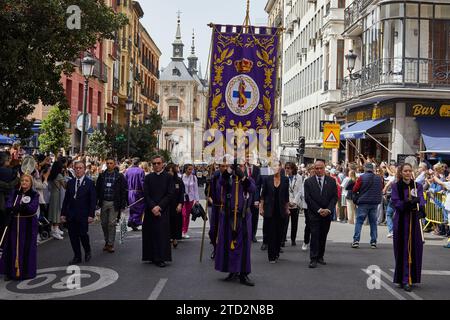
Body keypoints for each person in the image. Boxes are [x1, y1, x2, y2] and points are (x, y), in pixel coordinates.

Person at [215, 160, 256, 286]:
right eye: (237, 166)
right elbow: (221, 182)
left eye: (241, 166)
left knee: (243, 246)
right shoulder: (229, 180)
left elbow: (252, 189)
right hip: (229, 216)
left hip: (243, 217)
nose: (239, 168)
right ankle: (232, 270)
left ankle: (243, 273)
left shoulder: (248, 180)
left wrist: (243, 177)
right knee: (228, 244)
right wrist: (228, 172)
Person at [390, 163, 426, 292]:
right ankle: (403, 278)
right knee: (403, 249)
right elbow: (396, 202)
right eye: (405, 171)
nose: (408, 173)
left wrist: (421, 208)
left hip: (414, 221)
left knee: (414, 248)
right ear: (401, 172)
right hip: (401, 221)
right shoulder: (396, 186)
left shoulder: (418, 185)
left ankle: (410, 277)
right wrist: (408, 203)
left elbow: (421, 198)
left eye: (410, 171)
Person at [0, 174, 39, 280]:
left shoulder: (34, 194)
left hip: (28, 225)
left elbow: (33, 208)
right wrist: (12, 208)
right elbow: (8, 204)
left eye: (27, 181)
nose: (24, 182)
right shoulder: (15, 193)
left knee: (26, 247)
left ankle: (26, 272)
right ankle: (11, 272)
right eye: (22, 180)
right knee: (12, 246)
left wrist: (22, 207)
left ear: (31, 182)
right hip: (14, 224)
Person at [61, 161, 97, 264]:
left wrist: (91, 215)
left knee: (83, 234)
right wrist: (63, 213)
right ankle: (77, 256)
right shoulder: (71, 183)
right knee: (73, 236)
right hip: (71, 214)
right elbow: (66, 199)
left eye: (80, 168)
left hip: (84, 214)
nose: (78, 170)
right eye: (76, 168)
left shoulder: (89, 183)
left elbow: (92, 201)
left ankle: (87, 250)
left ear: (84, 169)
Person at [304, 160, 338, 268]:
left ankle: (320, 256)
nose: (319, 170)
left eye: (321, 168)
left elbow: (334, 197)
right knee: (314, 235)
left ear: (324, 168)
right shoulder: (308, 182)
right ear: (314, 169)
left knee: (323, 235)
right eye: (317, 168)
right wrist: (319, 210)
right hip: (314, 213)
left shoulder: (332, 181)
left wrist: (328, 209)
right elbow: (308, 198)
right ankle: (313, 258)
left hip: (327, 214)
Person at [142, 155, 174, 267]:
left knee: (161, 235)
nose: (156, 165)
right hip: (150, 210)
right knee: (150, 233)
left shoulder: (169, 177)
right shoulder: (148, 177)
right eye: (154, 163)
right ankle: (151, 256)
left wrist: (159, 207)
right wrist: (153, 207)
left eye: (158, 163)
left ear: (163, 164)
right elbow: (145, 194)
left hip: (163, 210)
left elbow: (170, 194)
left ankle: (161, 258)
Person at [260, 161, 289, 263]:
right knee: (271, 233)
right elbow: (263, 195)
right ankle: (271, 256)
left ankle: (276, 252)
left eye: (277, 166)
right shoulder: (267, 179)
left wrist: (287, 208)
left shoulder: (285, 180)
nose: (276, 167)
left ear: (281, 167)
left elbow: (286, 196)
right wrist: (261, 207)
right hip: (269, 210)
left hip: (281, 210)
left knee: (279, 233)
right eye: (274, 166)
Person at [96, 158, 127, 253]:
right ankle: (106, 241)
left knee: (111, 223)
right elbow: (97, 189)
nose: (109, 165)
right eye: (108, 163)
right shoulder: (101, 176)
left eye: (111, 163)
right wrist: (96, 203)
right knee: (104, 223)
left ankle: (110, 243)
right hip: (104, 202)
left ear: (114, 165)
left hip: (114, 203)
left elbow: (123, 190)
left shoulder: (119, 176)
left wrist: (123, 204)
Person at [351, 163, 384, 249]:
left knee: (359, 221)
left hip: (363, 202)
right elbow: (381, 188)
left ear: (365, 169)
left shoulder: (362, 177)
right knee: (373, 222)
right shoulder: (379, 178)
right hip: (374, 203)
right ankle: (373, 242)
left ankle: (356, 241)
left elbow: (355, 189)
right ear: (373, 169)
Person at [205, 163, 226, 259]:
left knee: (225, 231)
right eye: (222, 166)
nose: (224, 168)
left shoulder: (233, 177)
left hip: (227, 208)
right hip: (216, 206)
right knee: (213, 231)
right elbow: (208, 193)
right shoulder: (215, 177)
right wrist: (209, 183)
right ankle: (215, 248)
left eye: (226, 166)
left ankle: (224, 251)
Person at [283, 162, 303, 247]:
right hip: (286, 203)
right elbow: (283, 191)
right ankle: (283, 239)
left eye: (289, 168)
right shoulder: (284, 177)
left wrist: (294, 202)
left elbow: (299, 191)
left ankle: (293, 239)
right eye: (286, 168)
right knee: (284, 223)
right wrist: (287, 202)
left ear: (293, 169)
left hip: (295, 203)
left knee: (294, 223)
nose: (287, 170)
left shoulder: (299, 177)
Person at [166, 163, 184, 249]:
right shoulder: (164, 181)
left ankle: (175, 238)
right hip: (166, 205)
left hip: (176, 205)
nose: (170, 173)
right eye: (168, 171)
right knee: (167, 222)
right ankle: (168, 237)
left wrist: (180, 204)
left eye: (171, 171)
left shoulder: (179, 180)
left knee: (176, 222)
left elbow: (181, 194)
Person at [0, 152, 19, 235]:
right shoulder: (9, 171)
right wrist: (17, 178)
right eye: (8, 159)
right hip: (3, 202)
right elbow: (9, 185)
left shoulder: (8, 170)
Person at [47, 160, 66, 240]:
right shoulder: (59, 175)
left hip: (52, 195)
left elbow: (49, 187)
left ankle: (53, 229)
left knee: (52, 211)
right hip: (57, 195)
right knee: (57, 212)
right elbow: (65, 186)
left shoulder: (51, 175)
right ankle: (55, 230)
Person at [125, 158, 145, 231]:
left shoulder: (128, 171)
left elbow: (125, 181)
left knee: (132, 207)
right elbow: (142, 182)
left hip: (130, 192)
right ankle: (134, 221)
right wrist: (145, 191)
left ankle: (131, 220)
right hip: (138, 192)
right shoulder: (140, 171)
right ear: (138, 163)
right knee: (139, 207)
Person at [244, 157, 261, 243]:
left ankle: (253, 234)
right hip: (245, 197)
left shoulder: (257, 169)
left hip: (255, 197)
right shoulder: (242, 168)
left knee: (254, 217)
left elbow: (258, 186)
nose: (248, 159)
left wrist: (257, 199)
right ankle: (246, 234)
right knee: (245, 216)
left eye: (250, 157)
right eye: (247, 157)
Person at [181, 164, 199, 239]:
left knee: (187, 215)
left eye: (192, 169)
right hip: (182, 198)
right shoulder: (181, 177)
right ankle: (180, 230)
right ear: (185, 169)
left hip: (190, 199)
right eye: (189, 169)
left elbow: (196, 189)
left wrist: (197, 200)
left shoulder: (194, 178)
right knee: (183, 215)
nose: (191, 171)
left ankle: (185, 231)